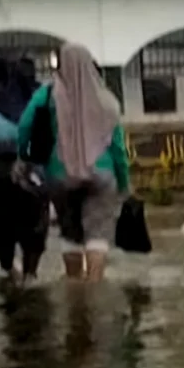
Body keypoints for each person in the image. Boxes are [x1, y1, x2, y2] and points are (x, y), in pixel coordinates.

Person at [18, 43, 130, 281]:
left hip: (60, 175)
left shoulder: (47, 94)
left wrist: (24, 157)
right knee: (97, 233)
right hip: (102, 174)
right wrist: (124, 181)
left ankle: (74, 283)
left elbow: (25, 126)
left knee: (70, 233)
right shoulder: (106, 100)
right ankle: (95, 285)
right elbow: (118, 147)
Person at [0, 55, 48, 280]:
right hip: (32, 171)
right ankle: (31, 274)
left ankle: (9, 271)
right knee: (34, 223)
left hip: (1, 172)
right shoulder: (39, 96)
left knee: (3, 224)